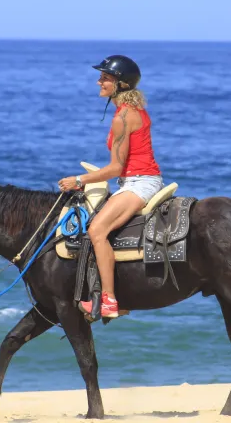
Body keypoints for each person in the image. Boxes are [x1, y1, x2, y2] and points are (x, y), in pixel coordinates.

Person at [58, 55, 163, 318]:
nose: (99, 82)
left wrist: (79, 180)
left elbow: (116, 167)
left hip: (140, 183)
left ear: (121, 85)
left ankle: (109, 301)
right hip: (136, 180)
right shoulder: (130, 111)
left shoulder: (122, 117)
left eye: (105, 78)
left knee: (97, 229)